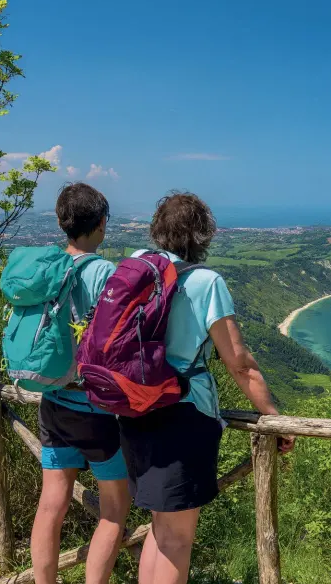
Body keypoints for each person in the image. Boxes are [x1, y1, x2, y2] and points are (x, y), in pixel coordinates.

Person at [117, 191, 295, 584]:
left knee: (162, 529)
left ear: (157, 231)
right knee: (178, 539)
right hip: (180, 416)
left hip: (132, 408)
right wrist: (276, 417)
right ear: (203, 235)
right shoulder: (204, 281)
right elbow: (240, 364)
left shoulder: (134, 269)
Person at [31, 183, 131, 584]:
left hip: (53, 403)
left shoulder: (49, 268)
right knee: (114, 509)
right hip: (94, 410)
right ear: (102, 224)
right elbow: (115, 338)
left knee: (50, 506)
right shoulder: (102, 270)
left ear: (62, 223)